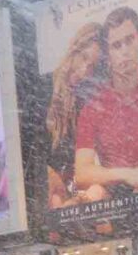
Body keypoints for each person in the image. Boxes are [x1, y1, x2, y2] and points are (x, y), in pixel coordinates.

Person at [74, 7, 138, 203]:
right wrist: (129, 175)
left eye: (129, 40)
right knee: (93, 194)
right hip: (115, 199)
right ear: (108, 54)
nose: (124, 51)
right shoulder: (93, 106)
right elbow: (82, 172)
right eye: (116, 45)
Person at [45, 23, 105, 208]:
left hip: (67, 198)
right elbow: (29, 153)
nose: (83, 71)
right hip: (44, 197)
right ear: (74, 50)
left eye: (91, 67)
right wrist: (48, 174)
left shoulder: (84, 104)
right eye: (83, 58)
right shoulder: (42, 88)